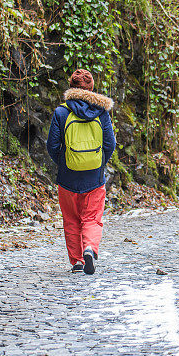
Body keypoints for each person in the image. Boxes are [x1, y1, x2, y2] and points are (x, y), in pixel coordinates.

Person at [47, 69, 116, 274]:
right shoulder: (102, 112)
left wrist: (65, 162)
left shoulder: (61, 112)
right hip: (94, 177)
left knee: (70, 219)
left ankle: (77, 261)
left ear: (71, 86)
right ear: (91, 88)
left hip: (67, 177)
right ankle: (89, 248)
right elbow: (110, 144)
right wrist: (98, 162)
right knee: (93, 217)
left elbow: (52, 145)